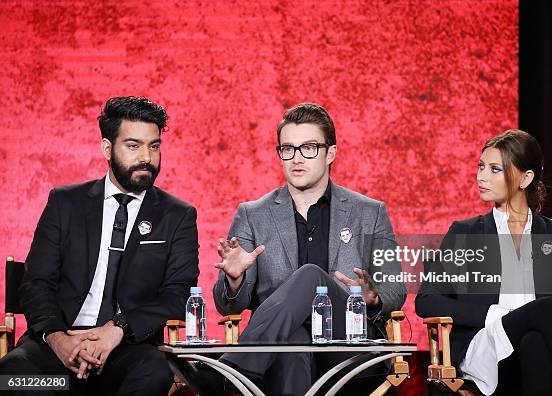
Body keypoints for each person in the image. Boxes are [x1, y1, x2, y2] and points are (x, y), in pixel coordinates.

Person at [0, 96, 200, 395]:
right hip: (57, 350)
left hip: (125, 351)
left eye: (154, 146)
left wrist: (117, 328)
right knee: (13, 376)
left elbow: (178, 294)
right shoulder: (65, 203)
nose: (146, 156)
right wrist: (59, 339)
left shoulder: (177, 215)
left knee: (155, 372)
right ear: (107, 148)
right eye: (133, 146)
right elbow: (36, 283)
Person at [210, 103, 407, 395]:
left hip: (349, 343)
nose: (296, 158)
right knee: (292, 344)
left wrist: (373, 297)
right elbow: (229, 306)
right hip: (283, 347)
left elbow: (396, 290)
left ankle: (230, 372)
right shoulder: (253, 214)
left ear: (330, 153)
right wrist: (235, 280)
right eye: (287, 149)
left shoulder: (370, 212)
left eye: (309, 148)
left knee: (311, 277)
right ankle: (238, 369)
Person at [415, 129, 552, 396]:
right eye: (481, 166)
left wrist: (545, 314)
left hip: (543, 347)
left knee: (536, 339)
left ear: (525, 178)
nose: (481, 177)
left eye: (494, 169)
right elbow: (426, 300)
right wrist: (492, 315)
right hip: (489, 345)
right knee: (543, 315)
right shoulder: (466, 233)